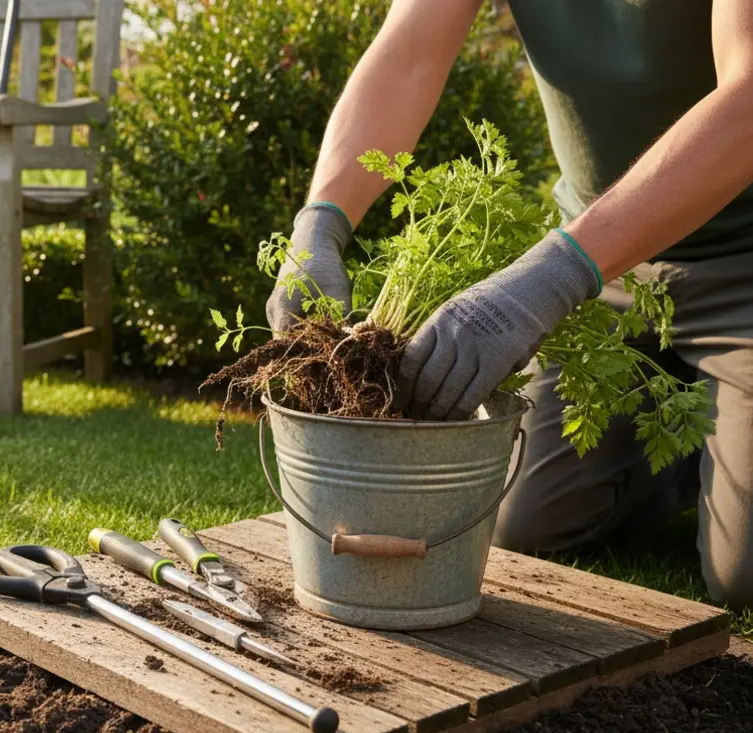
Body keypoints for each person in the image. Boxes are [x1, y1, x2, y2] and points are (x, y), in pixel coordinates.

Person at [265, 0, 753, 608]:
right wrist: (322, 219)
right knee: (519, 525)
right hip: (611, 258)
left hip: (740, 263)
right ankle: (702, 443)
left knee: (743, 576)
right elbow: (407, 58)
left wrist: (550, 276)